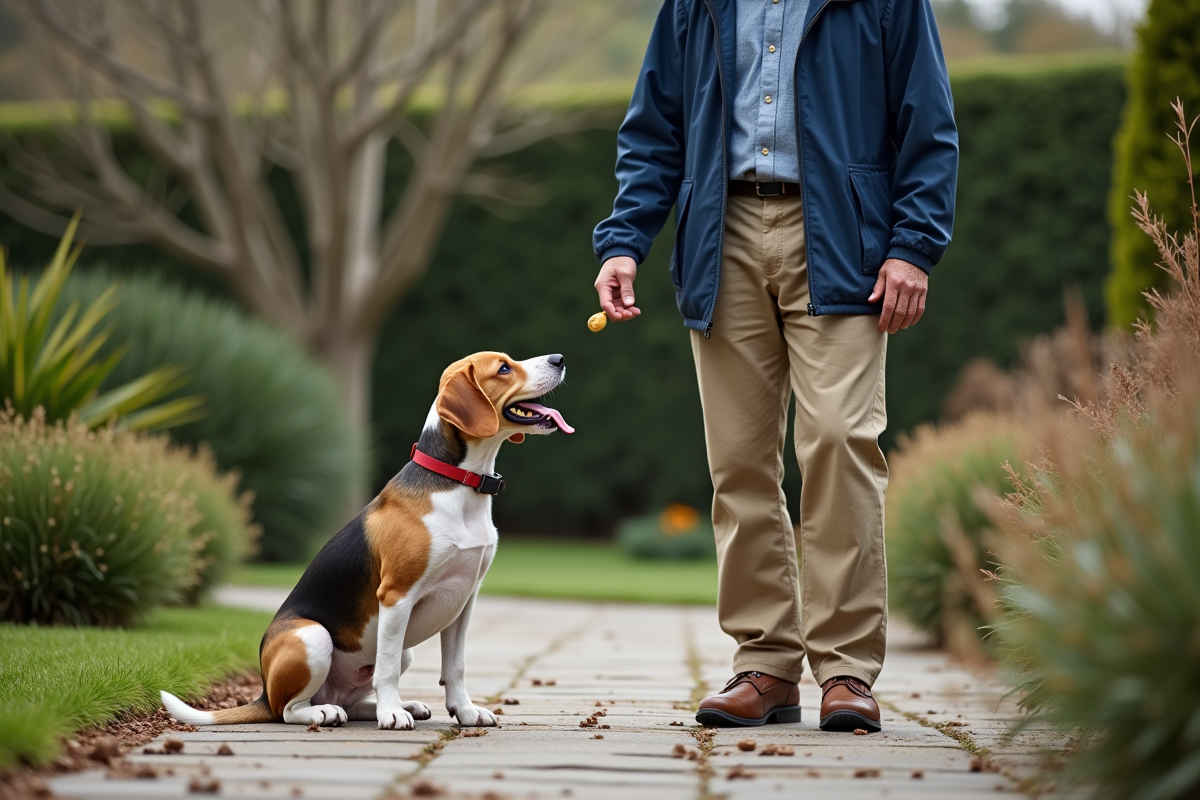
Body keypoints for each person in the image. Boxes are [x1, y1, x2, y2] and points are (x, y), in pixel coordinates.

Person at [592, 0, 957, 731]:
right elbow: (654, 125)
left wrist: (914, 245)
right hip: (720, 238)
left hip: (845, 241)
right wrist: (625, 238)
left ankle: (847, 670)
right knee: (740, 464)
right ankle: (765, 664)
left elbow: (928, 124)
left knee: (839, 441)